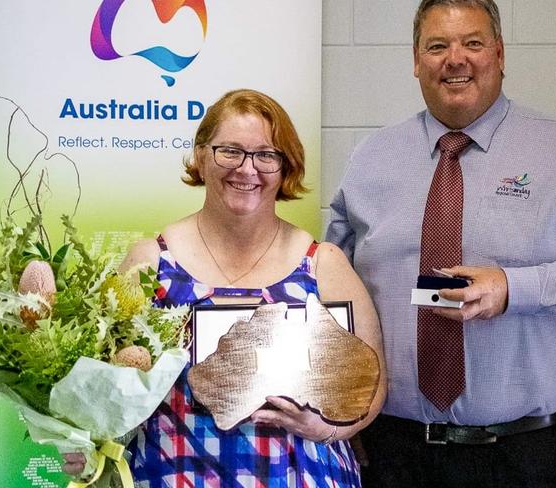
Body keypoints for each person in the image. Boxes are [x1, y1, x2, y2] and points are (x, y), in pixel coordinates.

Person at [326, 1, 556, 487]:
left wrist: (515, 288)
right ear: (416, 60)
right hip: (393, 449)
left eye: (473, 42)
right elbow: (334, 293)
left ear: (500, 54)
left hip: (521, 453)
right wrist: (340, 410)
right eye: (437, 46)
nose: (455, 59)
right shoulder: (370, 160)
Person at [62, 88, 386, 487]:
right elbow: (101, 382)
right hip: (170, 472)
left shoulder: (324, 265)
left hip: (300, 474)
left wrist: (329, 429)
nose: (247, 169)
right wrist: (81, 439)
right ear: (201, 156)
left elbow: (372, 389)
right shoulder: (150, 262)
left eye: (266, 155)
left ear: (286, 168)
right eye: (230, 151)